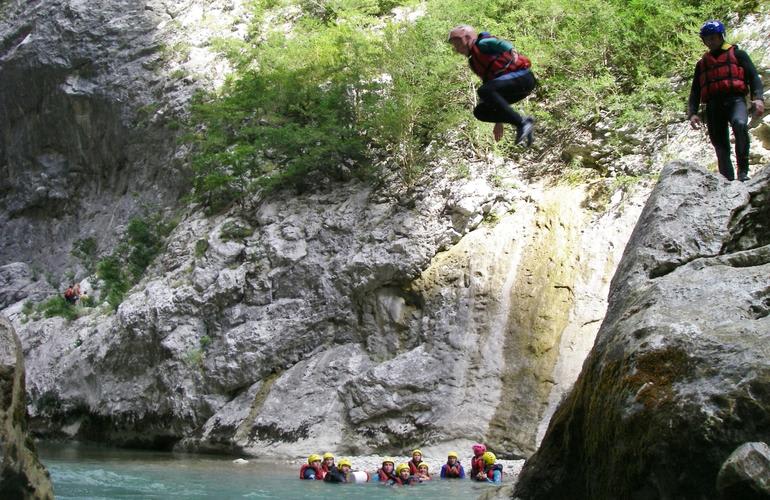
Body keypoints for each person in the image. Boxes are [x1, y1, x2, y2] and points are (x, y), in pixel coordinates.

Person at [687, 20, 764, 182]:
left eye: (713, 37)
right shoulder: (701, 64)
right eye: (707, 39)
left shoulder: (738, 54)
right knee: (719, 143)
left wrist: (758, 98)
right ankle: (727, 179)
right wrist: (692, 113)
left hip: (735, 100)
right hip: (713, 105)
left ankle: (743, 173)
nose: (711, 41)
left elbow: (753, 77)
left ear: (721, 36)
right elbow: (695, 91)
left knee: (740, 125)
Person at [448, 25, 537, 146]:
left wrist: (511, 49)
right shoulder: (473, 61)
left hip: (523, 78)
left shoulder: (482, 44)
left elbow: (499, 43)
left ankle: (522, 123)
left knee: (484, 91)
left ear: (467, 38)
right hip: (512, 87)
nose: (457, 49)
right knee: (480, 111)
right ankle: (521, 123)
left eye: (457, 44)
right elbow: (489, 85)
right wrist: (498, 121)